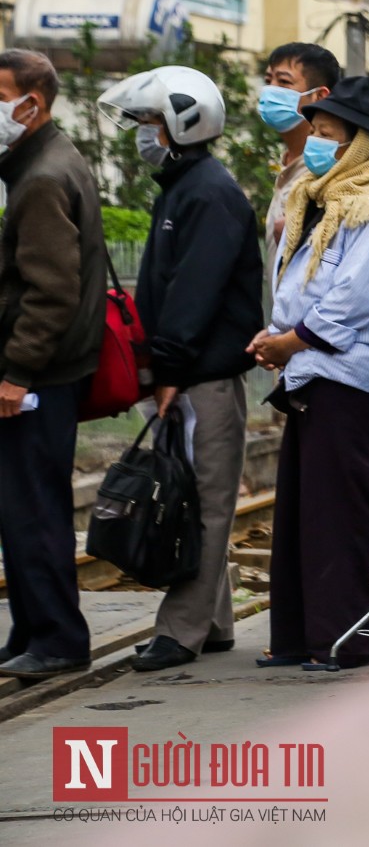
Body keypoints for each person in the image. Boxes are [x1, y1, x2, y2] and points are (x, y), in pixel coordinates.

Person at [98, 66, 263, 672]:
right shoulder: (183, 185)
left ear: (180, 122)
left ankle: (180, 632)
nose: (141, 133)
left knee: (208, 502)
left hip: (202, 376)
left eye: (147, 121)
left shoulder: (210, 192)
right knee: (196, 496)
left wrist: (166, 368)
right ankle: (214, 623)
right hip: (187, 372)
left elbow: (195, 293)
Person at [249, 77, 369, 670]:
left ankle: (353, 639)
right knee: (304, 512)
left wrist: (288, 343)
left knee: (341, 513)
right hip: (310, 373)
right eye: (315, 132)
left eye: (329, 135)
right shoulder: (318, 202)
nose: (316, 144)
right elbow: (299, 287)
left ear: (363, 145)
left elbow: (351, 301)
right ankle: (303, 635)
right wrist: (277, 337)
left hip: (347, 377)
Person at [0, 51, 105, 682]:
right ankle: (33, 629)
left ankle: (60, 638)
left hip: (40, 376)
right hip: (46, 371)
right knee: (22, 508)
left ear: (30, 105)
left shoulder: (40, 176)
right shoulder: (43, 160)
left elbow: (50, 290)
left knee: (34, 509)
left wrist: (16, 372)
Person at [258, 42, 339, 285]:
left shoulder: (326, 172)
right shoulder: (287, 165)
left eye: (284, 82)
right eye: (268, 80)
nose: (270, 91)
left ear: (320, 96)